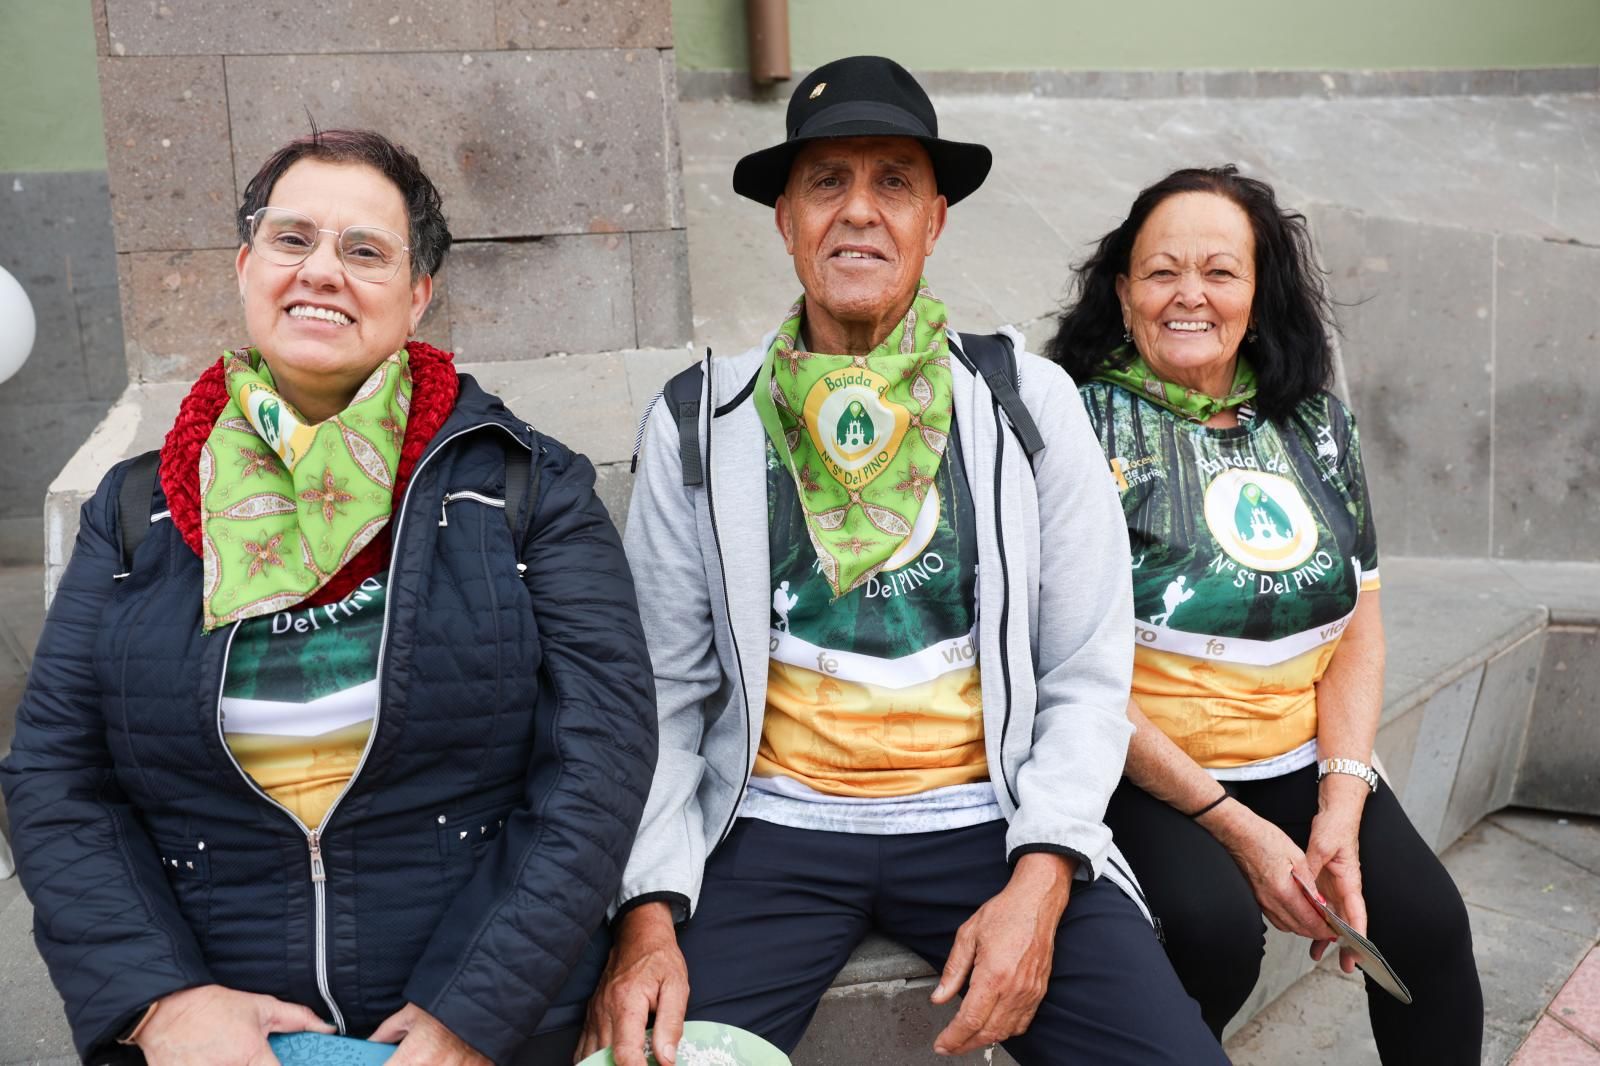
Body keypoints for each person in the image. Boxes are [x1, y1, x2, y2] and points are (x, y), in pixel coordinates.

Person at [580, 56, 1226, 1066]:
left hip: (985, 814)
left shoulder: (1025, 402)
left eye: (893, 183)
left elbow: (1085, 677)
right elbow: (660, 695)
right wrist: (647, 915)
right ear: (785, 218)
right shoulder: (700, 420)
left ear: (935, 219)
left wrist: (1045, 871)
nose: (859, 212)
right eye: (826, 182)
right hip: (770, 829)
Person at [0, 129, 657, 1066]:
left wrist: (474, 1010)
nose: (322, 272)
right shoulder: (138, 510)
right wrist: (161, 1003)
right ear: (245, 265)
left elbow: (600, 764)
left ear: (418, 293)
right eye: (292, 239)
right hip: (217, 1040)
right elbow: (55, 781)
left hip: (475, 1031)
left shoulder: (526, 489)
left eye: (364, 251)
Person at [1045, 164, 1484, 1062]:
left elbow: (1358, 624)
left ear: (1259, 290)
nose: (1189, 296)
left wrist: (1340, 802)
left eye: (1220, 271)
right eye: (1162, 271)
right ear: (1123, 290)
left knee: (1427, 929)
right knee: (1209, 935)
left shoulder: (1315, 422)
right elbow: (1069, 667)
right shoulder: (1074, 428)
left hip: (1289, 751)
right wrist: (1239, 831)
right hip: (1140, 763)